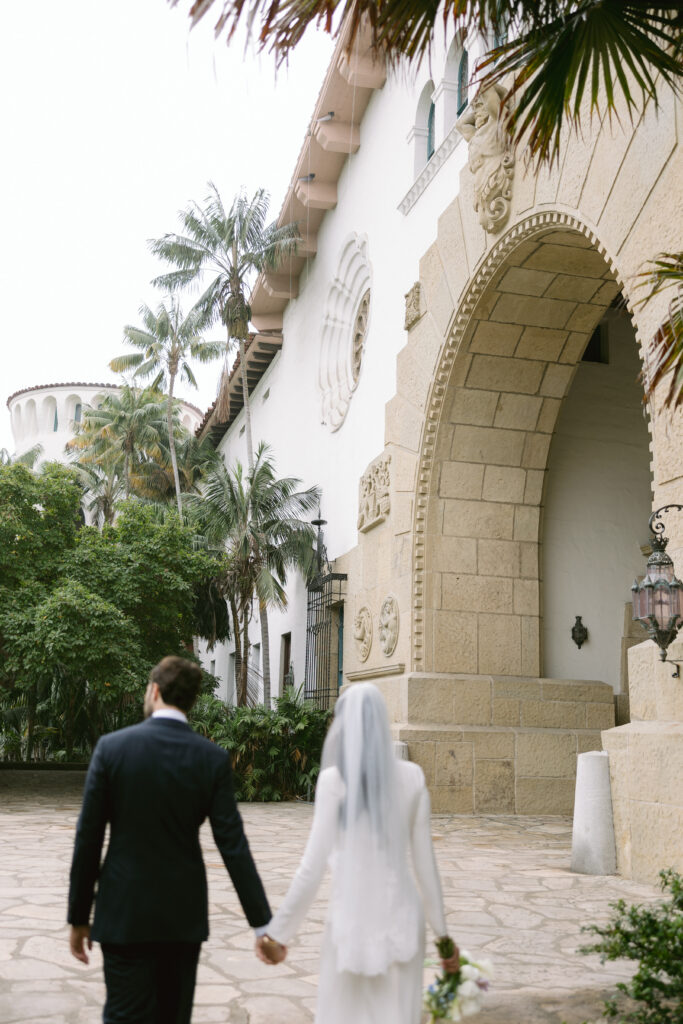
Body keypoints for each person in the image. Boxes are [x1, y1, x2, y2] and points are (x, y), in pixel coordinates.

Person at [67, 655, 279, 1024]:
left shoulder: (112, 748)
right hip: (182, 915)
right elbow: (233, 845)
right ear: (192, 701)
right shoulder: (211, 758)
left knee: (123, 1015)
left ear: (154, 690)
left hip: (124, 913)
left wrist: (79, 917)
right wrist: (262, 924)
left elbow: (88, 839)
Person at [255, 682, 459, 1024]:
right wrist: (444, 940)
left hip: (352, 920)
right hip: (403, 920)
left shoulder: (333, 781)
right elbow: (426, 868)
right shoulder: (412, 777)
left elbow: (312, 867)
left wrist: (278, 934)